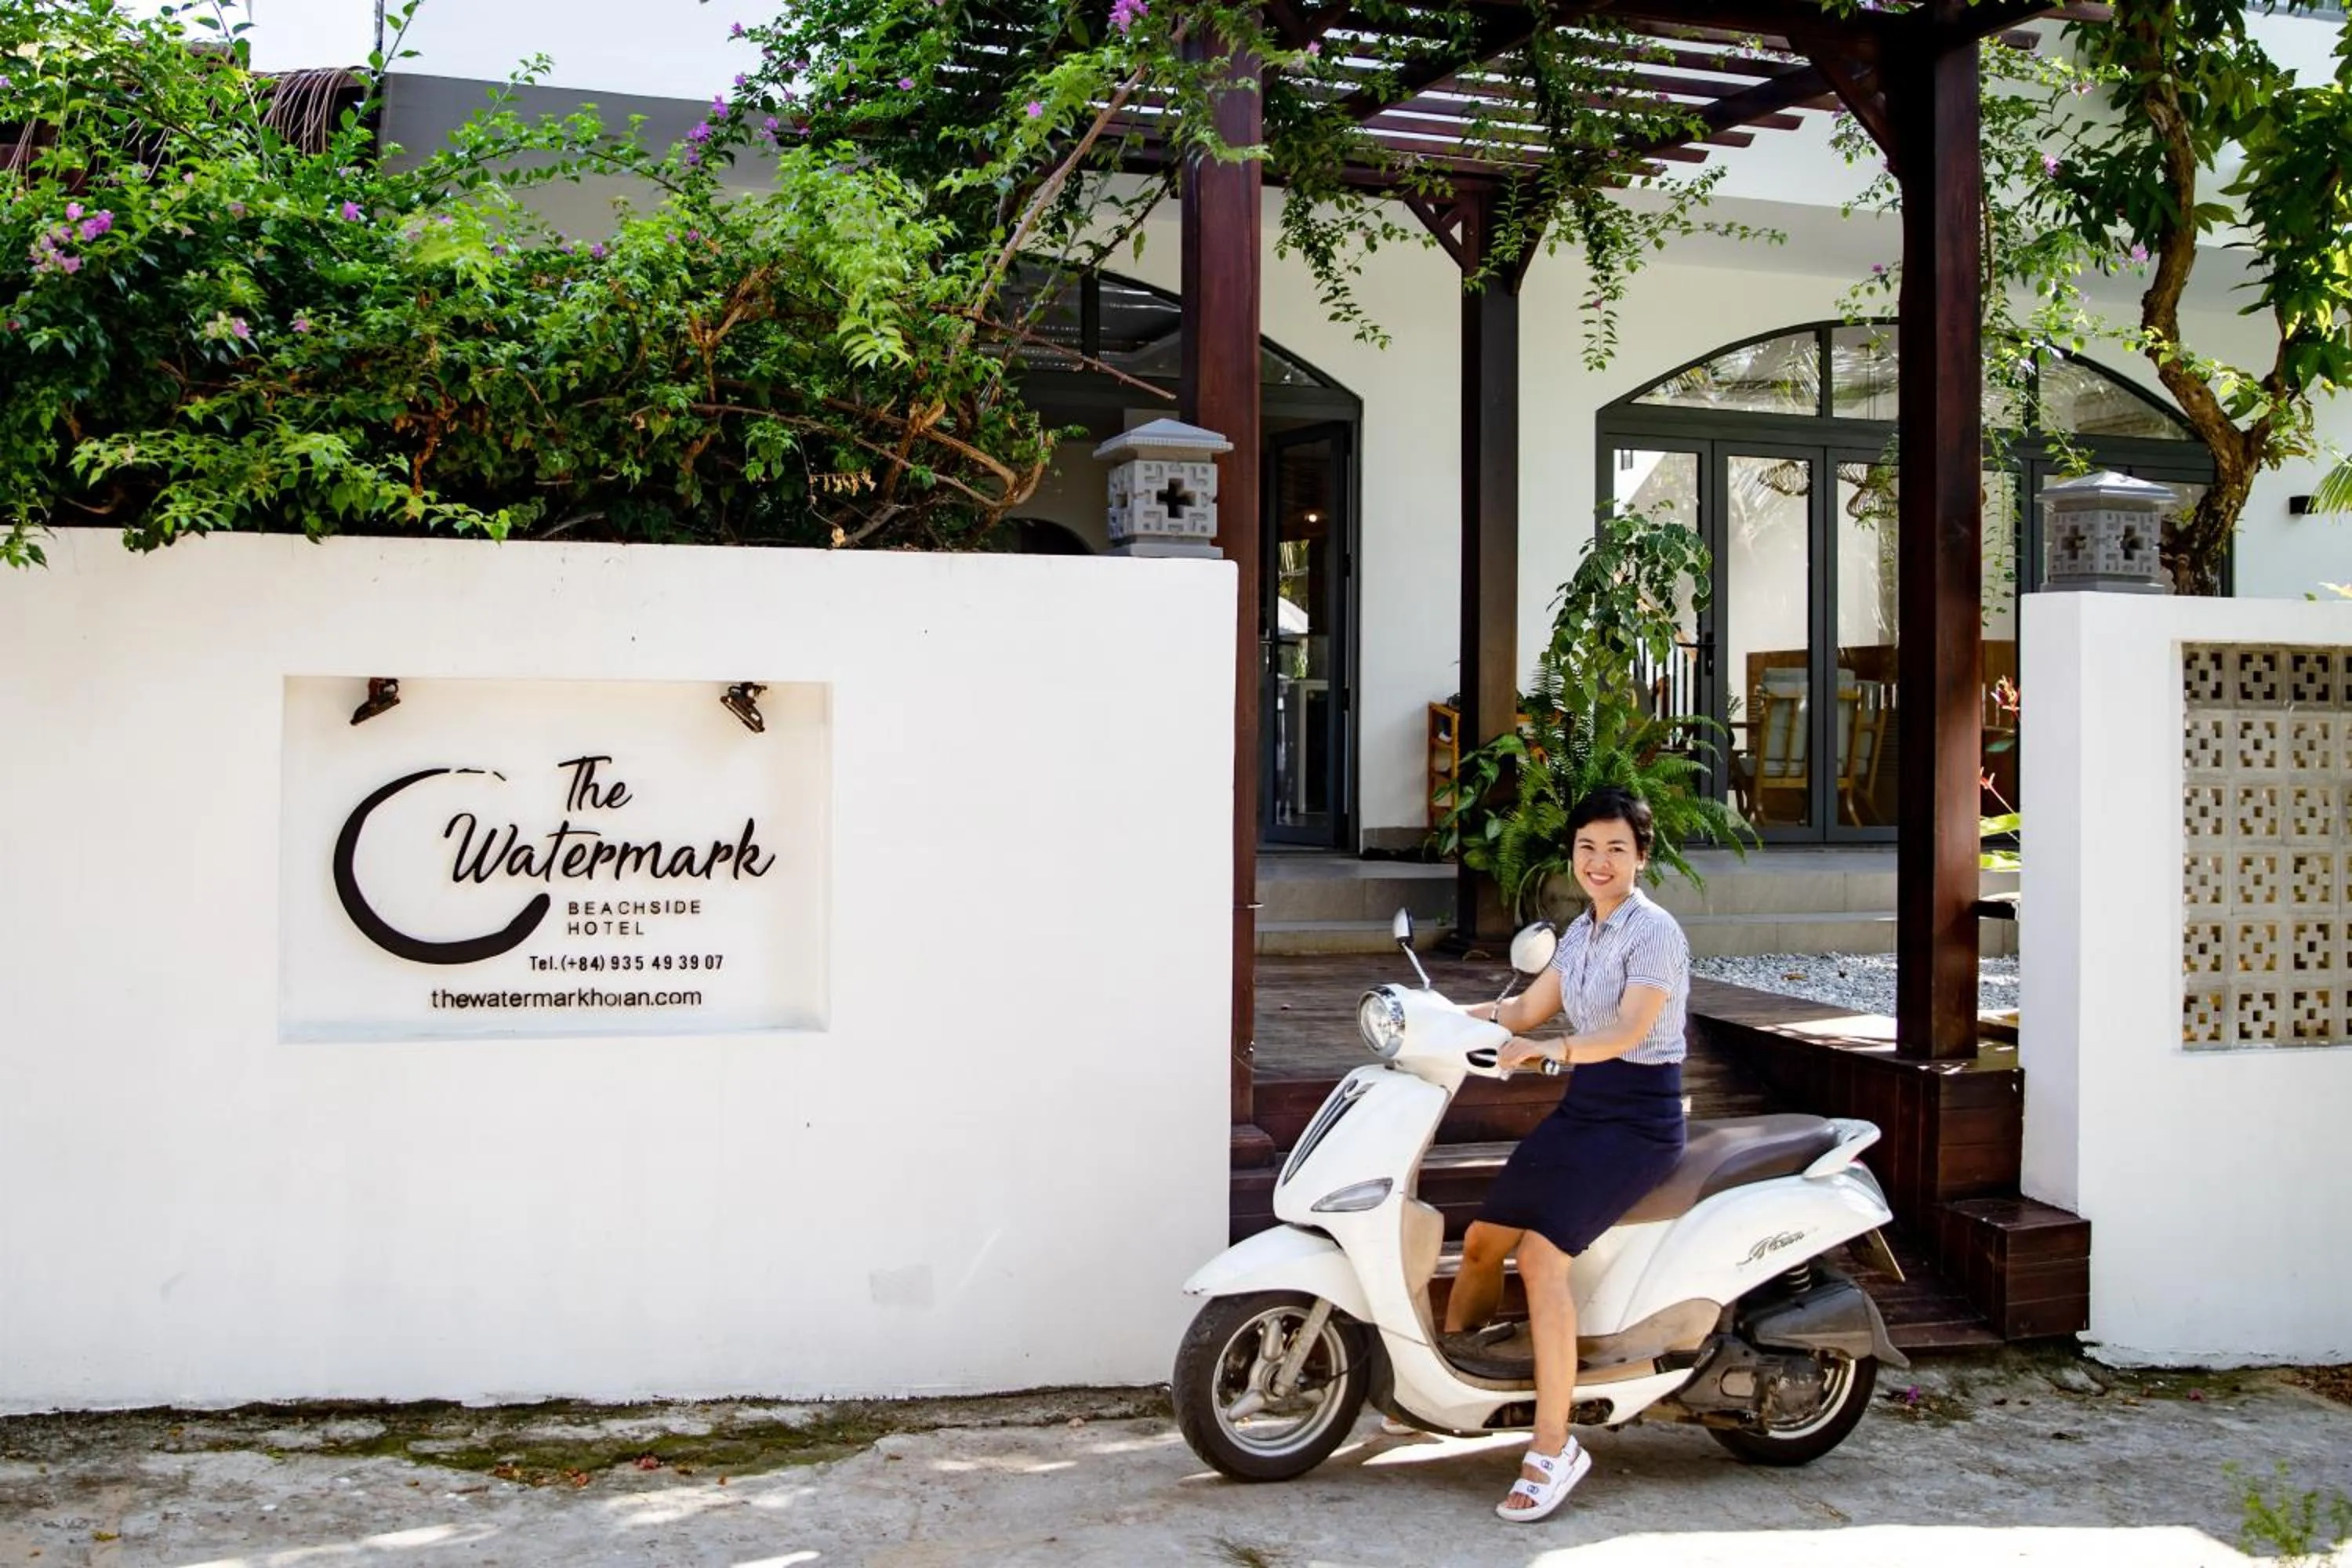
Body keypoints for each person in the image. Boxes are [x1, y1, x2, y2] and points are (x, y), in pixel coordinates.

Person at [1446, 785, 1690, 1523]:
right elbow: (1522, 1010)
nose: (1600, 861)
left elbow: (1622, 1031)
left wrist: (1551, 1053)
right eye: (1588, 847)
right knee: (1485, 1241)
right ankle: (1456, 1395)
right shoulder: (1580, 933)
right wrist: (1432, 1016)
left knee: (1545, 1259)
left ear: (1642, 856)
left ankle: (1553, 1449)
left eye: (1617, 848)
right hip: (1584, 1112)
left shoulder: (1656, 934)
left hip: (1640, 1121)